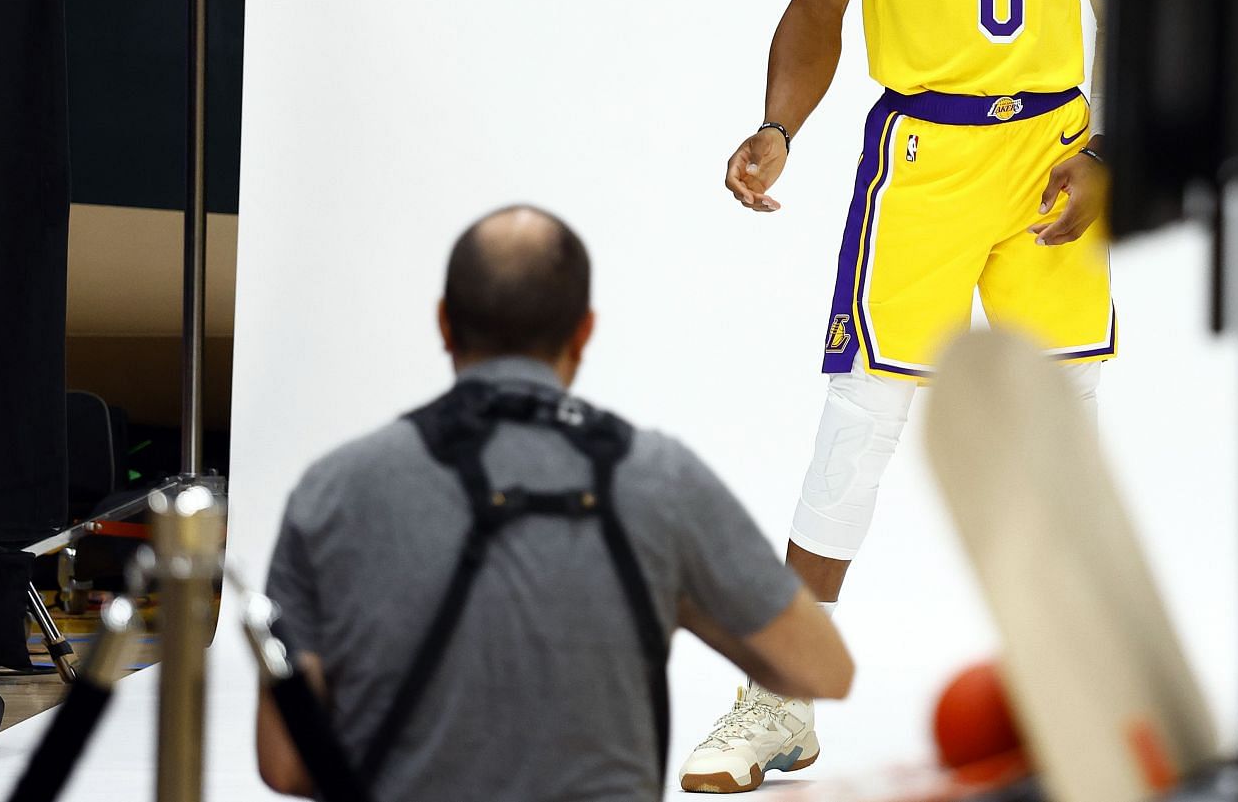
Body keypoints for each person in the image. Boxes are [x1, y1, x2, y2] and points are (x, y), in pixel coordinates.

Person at [680, 0, 1114, 793]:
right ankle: (778, 700)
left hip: (1054, 159)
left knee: (1058, 429)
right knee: (861, 430)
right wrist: (779, 125)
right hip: (924, 157)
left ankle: (1063, 689)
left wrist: (1113, 152)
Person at [255, 205, 852, 802]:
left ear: (443, 324)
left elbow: (285, 764)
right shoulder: (660, 481)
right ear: (584, 331)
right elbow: (824, 671)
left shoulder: (333, 488)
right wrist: (677, 596)